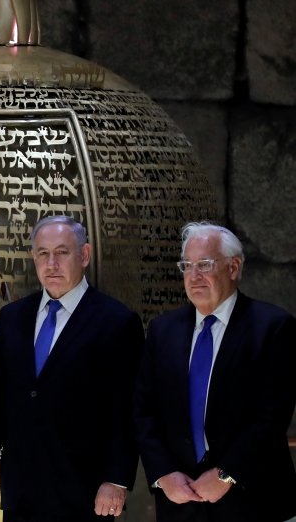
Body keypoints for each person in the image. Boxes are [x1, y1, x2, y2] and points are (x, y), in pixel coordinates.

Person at [0, 215, 145, 521]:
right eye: (43, 253)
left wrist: (116, 480)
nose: (52, 264)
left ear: (84, 255)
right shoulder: (12, 318)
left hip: (85, 493)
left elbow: (126, 412)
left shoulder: (117, 322)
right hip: (20, 492)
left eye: (62, 252)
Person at [134, 222, 296, 522]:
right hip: (180, 503)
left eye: (205, 265)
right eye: (187, 266)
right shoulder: (162, 331)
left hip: (254, 502)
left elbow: (271, 416)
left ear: (233, 268)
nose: (193, 276)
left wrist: (226, 474)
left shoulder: (273, 327)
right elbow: (143, 410)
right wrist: (164, 474)